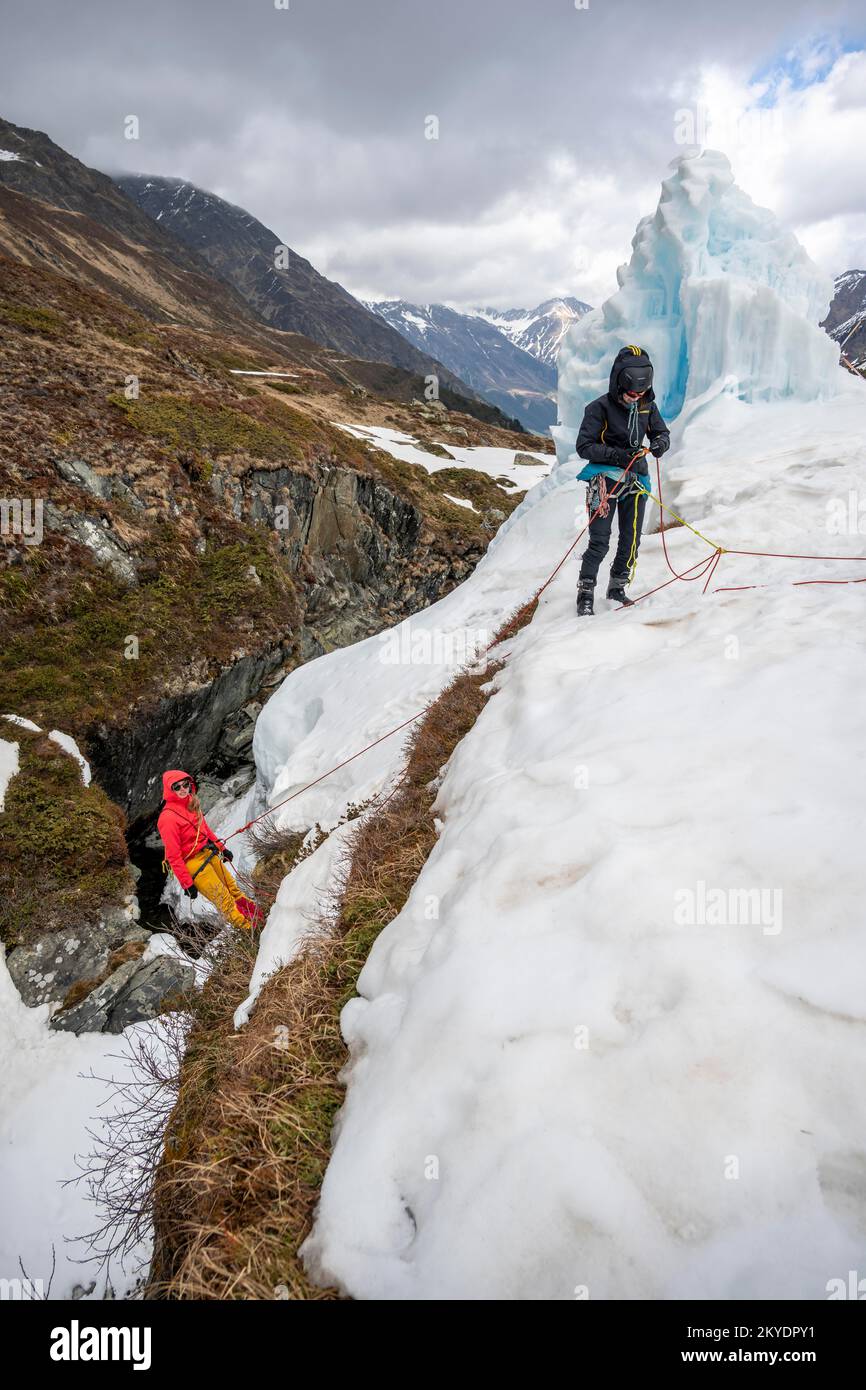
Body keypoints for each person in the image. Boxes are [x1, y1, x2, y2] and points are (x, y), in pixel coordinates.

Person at [575, 345, 670, 615]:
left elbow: (661, 433)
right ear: (619, 382)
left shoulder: (646, 406)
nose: (636, 397)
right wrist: (618, 455)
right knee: (600, 540)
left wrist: (661, 443)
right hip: (603, 481)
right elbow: (584, 446)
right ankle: (585, 593)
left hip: (636, 479)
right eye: (632, 393)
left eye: (640, 393)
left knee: (631, 539)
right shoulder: (598, 408)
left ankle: (617, 587)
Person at [156, 770, 261, 930]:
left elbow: (204, 829)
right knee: (224, 901)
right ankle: (251, 930)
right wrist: (187, 884)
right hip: (193, 864)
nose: (183, 789)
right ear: (169, 790)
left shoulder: (191, 802)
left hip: (207, 853)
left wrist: (222, 848)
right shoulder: (167, 819)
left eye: (186, 784)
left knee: (233, 889)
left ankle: (258, 917)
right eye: (177, 787)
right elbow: (173, 856)